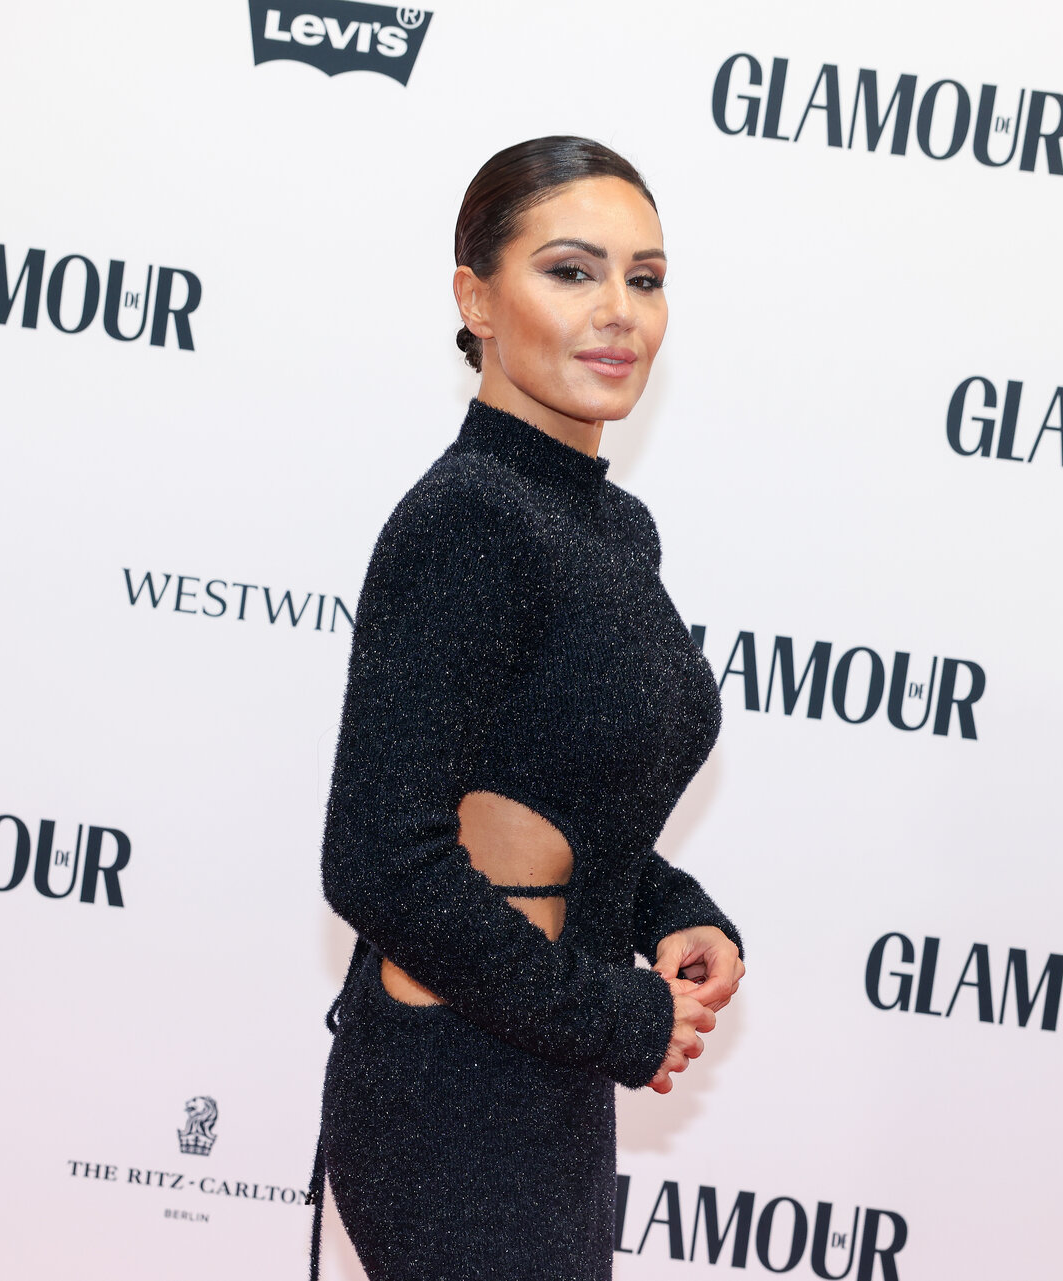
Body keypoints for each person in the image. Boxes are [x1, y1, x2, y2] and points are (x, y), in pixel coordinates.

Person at [312, 136, 745, 1280]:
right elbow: (379, 860)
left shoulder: (610, 526)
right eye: (571, 271)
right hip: (453, 1093)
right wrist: (614, 1017)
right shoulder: (469, 519)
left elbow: (561, 788)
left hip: (538, 1066)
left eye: (645, 279)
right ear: (476, 301)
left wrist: (670, 908)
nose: (618, 313)